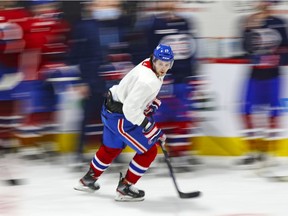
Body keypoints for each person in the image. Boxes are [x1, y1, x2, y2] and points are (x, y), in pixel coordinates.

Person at [74, 44, 173, 202]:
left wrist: (148, 102)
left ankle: (88, 180)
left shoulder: (147, 63)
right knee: (149, 151)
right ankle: (125, 188)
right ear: (154, 60)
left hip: (110, 109)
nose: (163, 68)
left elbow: (133, 92)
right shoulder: (149, 80)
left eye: (167, 65)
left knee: (110, 148)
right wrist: (150, 128)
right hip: (120, 117)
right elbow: (130, 109)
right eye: (160, 63)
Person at [237, 0, 288, 166]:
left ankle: (269, 152)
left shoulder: (279, 23)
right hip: (255, 75)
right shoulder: (249, 21)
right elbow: (245, 49)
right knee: (245, 110)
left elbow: (286, 49)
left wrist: (276, 59)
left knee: (273, 112)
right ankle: (252, 150)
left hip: (273, 76)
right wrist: (248, 28)